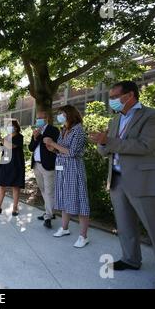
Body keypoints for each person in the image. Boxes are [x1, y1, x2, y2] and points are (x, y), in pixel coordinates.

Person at [89, 81, 155, 289]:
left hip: (144, 181)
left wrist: (108, 141)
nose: (112, 101)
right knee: (125, 225)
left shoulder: (154, 115)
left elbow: (145, 146)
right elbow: (104, 150)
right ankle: (130, 259)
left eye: (115, 96)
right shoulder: (115, 120)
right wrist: (102, 142)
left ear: (130, 95)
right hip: (117, 179)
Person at [43, 105, 90, 248]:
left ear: (70, 115)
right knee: (63, 197)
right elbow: (60, 150)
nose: (60, 116)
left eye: (62, 114)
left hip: (73, 169)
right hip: (62, 169)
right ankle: (64, 228)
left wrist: (53, 144)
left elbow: (72, 152)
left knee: (80, 200)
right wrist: (52, 147)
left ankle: (83, 236)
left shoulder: (78, 131)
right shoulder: (64, 130)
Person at [29, 111, 60, 228]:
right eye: (37, 118)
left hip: (48, 165)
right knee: (43, 189)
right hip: (36, 165)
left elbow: (54, 146)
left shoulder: (53, 130)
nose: (38, 120)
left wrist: (39, 136)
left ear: (46, 118)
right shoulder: (36, 131)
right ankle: (49, 212)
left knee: (49, 191)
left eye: (40, 118)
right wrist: (35, 137)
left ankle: (48, 215)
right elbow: (31, 148)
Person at [0, 119, 25, 216]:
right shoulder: (6, 137)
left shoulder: (19, 137)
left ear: (16, 127)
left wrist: (1, 139)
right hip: (5, 163)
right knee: (1, 185)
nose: (9, 127)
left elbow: (12, 146)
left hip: (15, 164)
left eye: (11, 125)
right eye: (8, 125)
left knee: (15, 186)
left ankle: (15, 208)